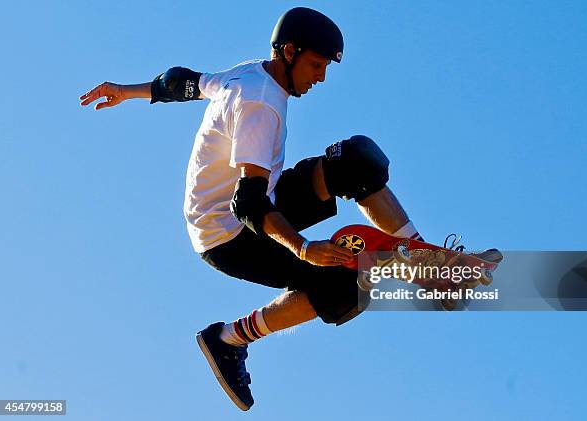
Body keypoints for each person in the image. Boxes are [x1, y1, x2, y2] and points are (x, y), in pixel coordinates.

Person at [80, 7, 428, 411]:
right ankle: (228, 340)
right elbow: (248, 204)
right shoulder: (258, 106)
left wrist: (127, 91)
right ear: (290, 51)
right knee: (342, 285)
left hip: (256, 203)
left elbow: (180, 83)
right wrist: (302, 248)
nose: (321, 77)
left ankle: (423, 255)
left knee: (355, 161)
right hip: (228, 237)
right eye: (316, 65)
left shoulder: (248, 73)